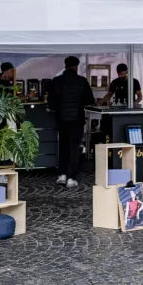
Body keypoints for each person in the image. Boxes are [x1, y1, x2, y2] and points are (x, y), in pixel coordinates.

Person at [50, 56, 95, 188]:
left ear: (65, 65)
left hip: (61, 120)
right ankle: (71, 177)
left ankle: (62, 175)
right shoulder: (81, 81)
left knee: (63, 146)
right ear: (76, 66)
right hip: (77, 119)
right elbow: (89, 100)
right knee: (74, 148)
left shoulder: (56, 81)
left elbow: (51, 102)